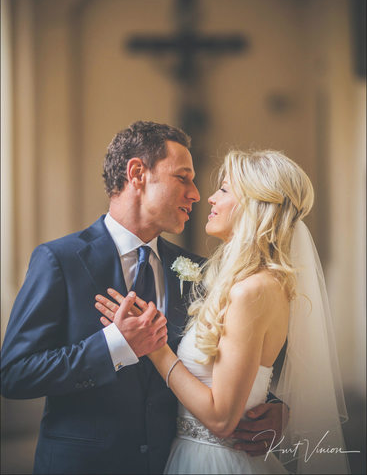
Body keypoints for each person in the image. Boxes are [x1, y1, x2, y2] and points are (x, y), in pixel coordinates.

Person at [1, 122, 285, 475]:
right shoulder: (60, 260)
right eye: (183, 177)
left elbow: (248, 354)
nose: (196, 194)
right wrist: (114, 346)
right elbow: (14, 373)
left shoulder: (200, 270)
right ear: (137, 174)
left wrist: (269, 407)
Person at [96, 149, 350, 474]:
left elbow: (221, 417)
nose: (210, 198)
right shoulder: (239, 281)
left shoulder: (251, 291)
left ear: (257, 204)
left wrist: (156, 349)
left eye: (225, 189)